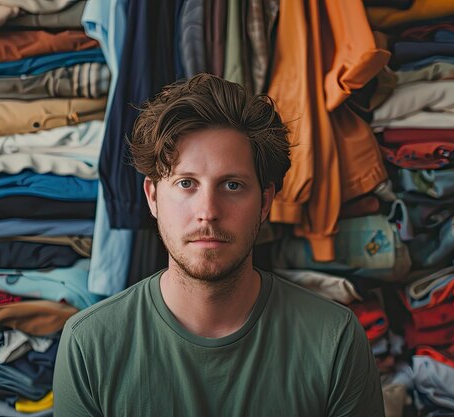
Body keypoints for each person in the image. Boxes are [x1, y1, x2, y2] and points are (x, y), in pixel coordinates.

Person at [53, 74, 385, 417]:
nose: (208, 212)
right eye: (186, 183)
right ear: (153, 197)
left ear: (266, 201)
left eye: (232, 185)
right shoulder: (89, 344)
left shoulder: (334, 339)